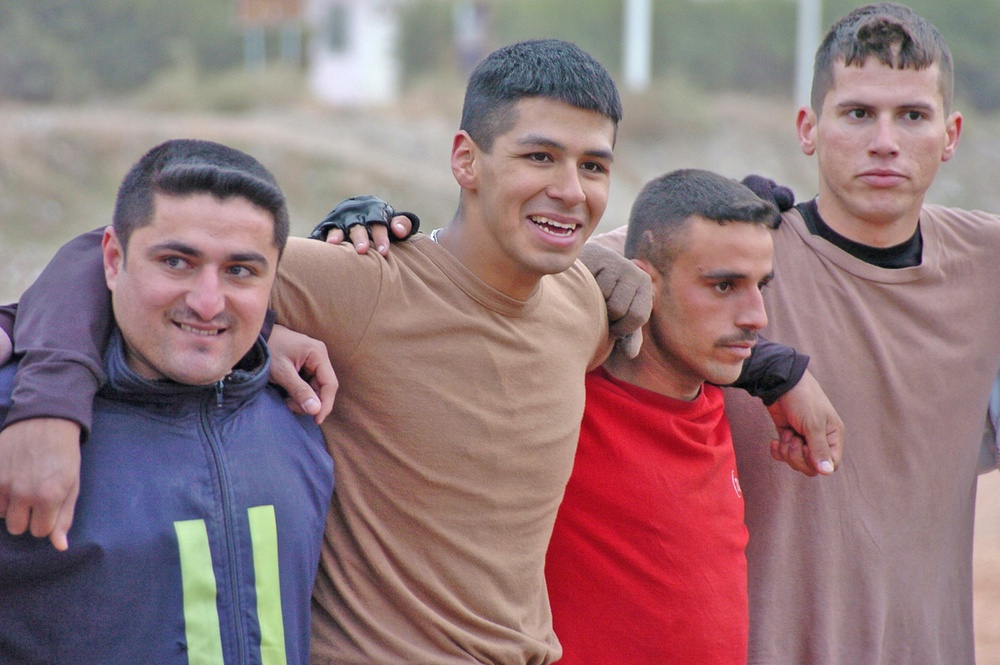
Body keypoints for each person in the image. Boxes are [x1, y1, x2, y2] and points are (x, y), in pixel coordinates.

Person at [0, 40, 841, 663]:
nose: (568, 187)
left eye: (592, 165)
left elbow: (695, 297)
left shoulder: (587, 301)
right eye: (538, 156)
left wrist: (777, 371)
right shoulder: (366, 284)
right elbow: (117, 256)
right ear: (465, 160)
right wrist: (46, 404)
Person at [717, 4, 1000, 663]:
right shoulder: (734, 251)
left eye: (912, 115)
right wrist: (762, 358)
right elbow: (576, 276)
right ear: (808, 128)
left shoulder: (988, 262)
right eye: (857, 113)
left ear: (950, 133)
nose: (885, 140)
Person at [0, 139, 334, 663]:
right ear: (112, 260)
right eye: (176, 262)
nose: (207, 302)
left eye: (240, 271)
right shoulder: (17, 420)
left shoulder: (300, 418)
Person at [545, 168, 805, 664]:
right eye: (724, 286)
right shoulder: (564, 403)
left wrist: (781, 371)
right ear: (645, 282)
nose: (757, 316)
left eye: (760, 286)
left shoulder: (713, 393)